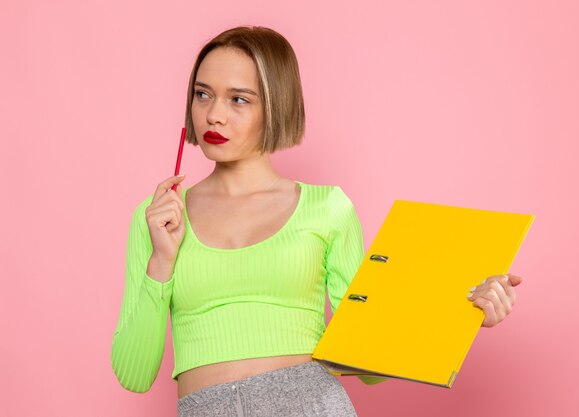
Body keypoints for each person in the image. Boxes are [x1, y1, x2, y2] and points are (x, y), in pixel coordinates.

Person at [111, 26, 523, 417]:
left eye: (239, 99)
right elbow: (135, 374)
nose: (214, 115)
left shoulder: (327, 209)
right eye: (203, 94)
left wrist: (463, 316)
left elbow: (367, 361)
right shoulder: (160, 219)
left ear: (276, 105)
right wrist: (161, 263)